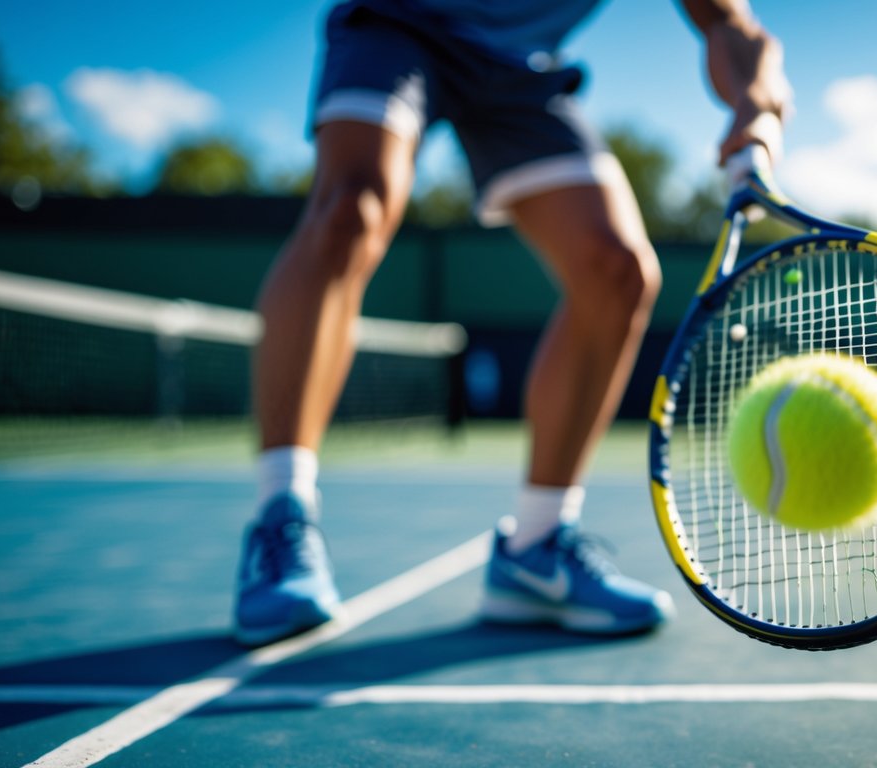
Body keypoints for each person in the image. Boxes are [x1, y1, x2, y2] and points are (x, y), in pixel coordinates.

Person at [232, 0, 792, 646]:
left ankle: (536, 545)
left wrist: (757, 109)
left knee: (618, 270)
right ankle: (280, 520)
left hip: (517, 68)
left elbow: (727, 22)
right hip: (397, 22)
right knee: (350, 211)